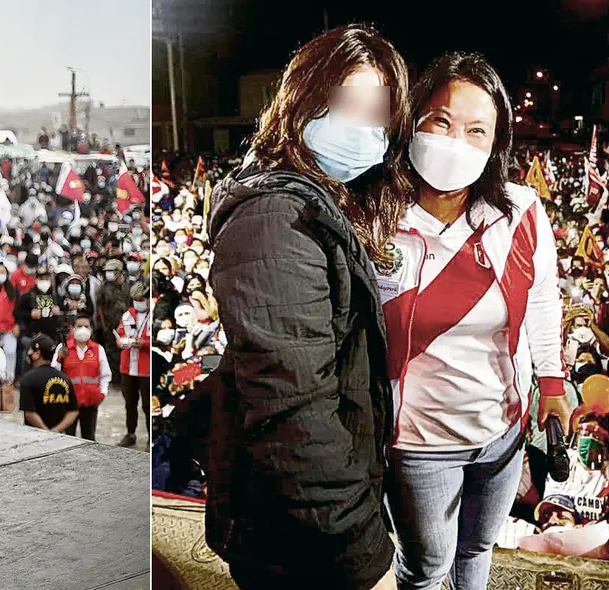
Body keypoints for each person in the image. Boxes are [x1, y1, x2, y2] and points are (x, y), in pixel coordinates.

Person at [184, 25, 411, 590]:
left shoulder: (325, 205)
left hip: (304, 529)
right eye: (342, 106)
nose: (361, 130)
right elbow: (296, 416)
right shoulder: (275, 224)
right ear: (301, 104)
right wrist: (364, 559)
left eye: (376, 115)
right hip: (298, 542)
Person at [377, 53, 571, 590]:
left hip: (503, 431)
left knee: (477, 549)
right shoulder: (377, 217)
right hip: (418, 441)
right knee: (426, 568)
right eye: (440, 121)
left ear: (495, 143)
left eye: (476, 130)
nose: (455, 141)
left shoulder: (520, 210)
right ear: (411, 122)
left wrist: (552, 383)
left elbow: (541, 300)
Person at [52, 315, 111, 441]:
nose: (83, 329)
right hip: (68, 401)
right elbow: (53, 373)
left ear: (91, 329)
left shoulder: (97, 349)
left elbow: (106, 375)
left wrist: (102, 393)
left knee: (89, 437)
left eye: (86, 326)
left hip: (90, 401)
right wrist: (58, 358)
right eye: (79, 326)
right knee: (67, 438)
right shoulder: (63, 348)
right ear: (72, 328)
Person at [115, 282, 151, 449]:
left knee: (147, 405)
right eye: (135, 300)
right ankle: (131, 434)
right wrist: (121, 342)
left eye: (141, 299)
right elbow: (120, 334)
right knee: (130, 403)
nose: (138, 302)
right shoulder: (127, 315)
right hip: (128, 366)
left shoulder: (155, 315)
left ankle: (152, 437)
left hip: (146, 368)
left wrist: (144, 343)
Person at [19, 334, 79, 433]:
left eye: (30, 351)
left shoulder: (28, 379)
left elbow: (29, 413)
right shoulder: (65, 378)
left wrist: (46, 431)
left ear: (37, 354)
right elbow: (73, 411)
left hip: (35, 435)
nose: (28, 354)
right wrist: (57, 430)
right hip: (60, 436)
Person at [16, 266, 61, 341]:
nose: (44, 281)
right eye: (41, 279)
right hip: (32, 335)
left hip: (52, 336)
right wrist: (30, 314)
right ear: (36, 279)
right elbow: (18, 313)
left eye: (47, 279)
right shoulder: (28, 296)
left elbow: (65, 313)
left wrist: (59, 312)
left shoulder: (56, 297)